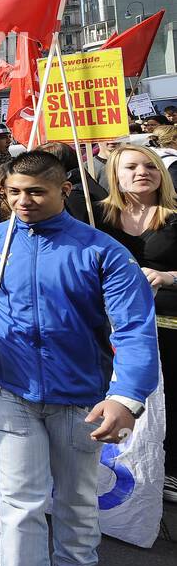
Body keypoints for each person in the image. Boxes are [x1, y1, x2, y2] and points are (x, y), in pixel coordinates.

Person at [0, 150, 158, 566]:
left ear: (65, 190)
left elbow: (133, 328)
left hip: (81, 399)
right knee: (20, 501)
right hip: (10, 392)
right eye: (14, 193)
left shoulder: (103, 251)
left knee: (77, 495)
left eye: (36, 192)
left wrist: (127, 397)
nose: (23, 201)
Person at [95, 144, 177, 504]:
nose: (142, 172)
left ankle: (168, 468)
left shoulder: (175, 217)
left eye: (150, 166)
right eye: (130, 167)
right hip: (110, 323)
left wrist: (167, 275)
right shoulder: (97, 217)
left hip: (167, 323)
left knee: (169, 395)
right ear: (115, 175)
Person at [36, 140, 106, 224]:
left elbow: (82, 230)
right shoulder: (81, 179)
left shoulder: (72, 193)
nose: (35, 169)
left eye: (40, 165)